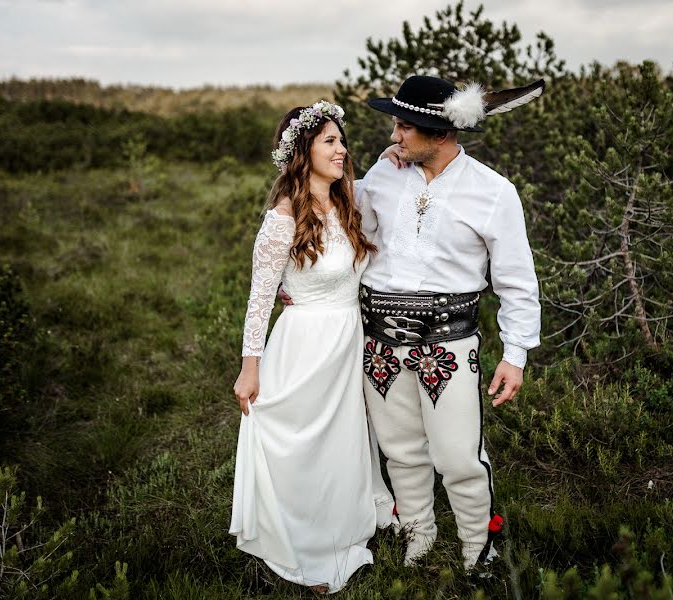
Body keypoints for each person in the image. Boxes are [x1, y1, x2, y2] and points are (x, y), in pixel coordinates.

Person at [357, 75, 543, 569]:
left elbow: (517, 281)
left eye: (403, 126)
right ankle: (418, 536)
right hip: (380, 342)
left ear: (439, 133)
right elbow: (347, 231)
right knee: (399, 450)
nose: (394, 135)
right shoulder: (381, 178)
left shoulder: (493, 192)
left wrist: (516, 354)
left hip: (450, 344)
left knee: (460, 457)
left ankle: (476, 550)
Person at [228, 101, 385, 594]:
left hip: (346, 340)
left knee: (342, 442)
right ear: (304, 152)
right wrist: (249, 369)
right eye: (330, 142)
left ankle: (341, 527)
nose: (342, 149)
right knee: (304, 447)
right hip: (305, 345)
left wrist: (396, 156)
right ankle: (304, 544)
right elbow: (259, 298)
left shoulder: (348, 203)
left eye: (343, 140)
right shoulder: (282, 217)